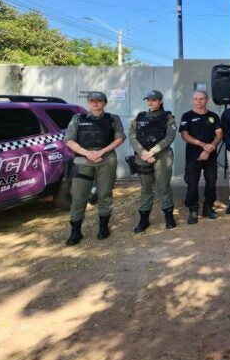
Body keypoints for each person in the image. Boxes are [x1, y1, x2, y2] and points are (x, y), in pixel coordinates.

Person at [63, 91, 125, 246]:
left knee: (105, 193)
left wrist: (101, 152)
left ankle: (103, 227)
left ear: (105, 103)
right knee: (78, 196)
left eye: (99, 101)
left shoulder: (113, 119)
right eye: (92, 101)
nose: (95, 103)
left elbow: (120, 138)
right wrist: (87, 154)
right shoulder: (78, 119)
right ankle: (76, 231)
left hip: (106, 159)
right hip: (83, 160)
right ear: (88, 103)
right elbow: (69, 140)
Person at [129, 90, 177, 233]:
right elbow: (132, 137)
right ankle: (144, 220)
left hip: (162, 156)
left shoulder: (168, 117)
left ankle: (169, 217)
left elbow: (169, 137)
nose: (151, 102)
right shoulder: (139, 117)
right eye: (148, 100)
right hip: (142, 156)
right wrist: (144, 153)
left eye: (154, 100)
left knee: (163, 186)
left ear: (160, 101)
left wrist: (152, 152)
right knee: (146, 188)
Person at [179, 90, 223, 224]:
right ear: (192, 100)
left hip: (210, 156)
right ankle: (193, 210)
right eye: (196, 99)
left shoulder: (213, 116)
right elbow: (184, 135)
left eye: (201, 99)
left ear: (207, 100)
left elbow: (219, 134)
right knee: (192, 184)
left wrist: (210, 148)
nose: (199, 101)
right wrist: (204, 145)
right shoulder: (187, 116)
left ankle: (208, 208)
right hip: (193, 156)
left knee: (211, 182)